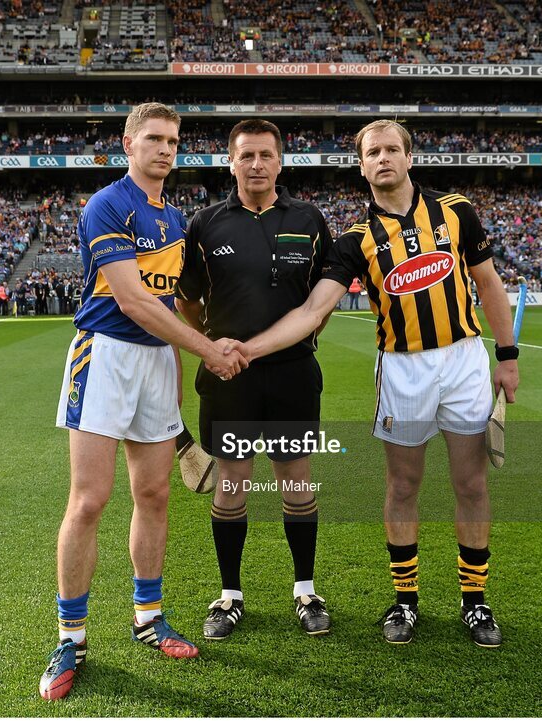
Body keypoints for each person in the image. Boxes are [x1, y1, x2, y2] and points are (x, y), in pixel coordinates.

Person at [224, 120, 519, 648]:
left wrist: (508, 355)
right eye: (372, 152)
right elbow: (315, 308)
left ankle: (475, 602)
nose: (382, 159)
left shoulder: (456, 211)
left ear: (409, 157)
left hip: (465, 361)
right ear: (360, 166)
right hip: (402, 369)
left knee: (471, 484)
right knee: (403, 486)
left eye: (391, 149)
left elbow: (488, 282)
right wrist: (251, 348)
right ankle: (405, 601)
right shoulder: (355, 241)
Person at [39, 103, 248, 702]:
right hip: (104, 355)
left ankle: (147, 617)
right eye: (153, 138)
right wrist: (210, 348)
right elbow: (133, 300)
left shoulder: (176, 219)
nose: (165, 149)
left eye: (173, 141)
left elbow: (174, 308)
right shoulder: (107, 204)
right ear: (128, 143)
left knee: (153, 495)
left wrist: (189, 366)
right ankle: (71, 637)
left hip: (158, 362)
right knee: (89, 500)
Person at [174, 119, 334, 641]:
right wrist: (214, 349)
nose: (257, 165)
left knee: (296, 484)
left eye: (266, 155)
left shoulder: (309, 220)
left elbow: (318, 302)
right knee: (232, 490)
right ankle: (230, 596)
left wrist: (297, 340)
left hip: (291, 376)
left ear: (280, 162)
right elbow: (188, 302)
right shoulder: (205, 224)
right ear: (231, 162)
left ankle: (306, 590)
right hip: (229, 380)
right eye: (247, 156)